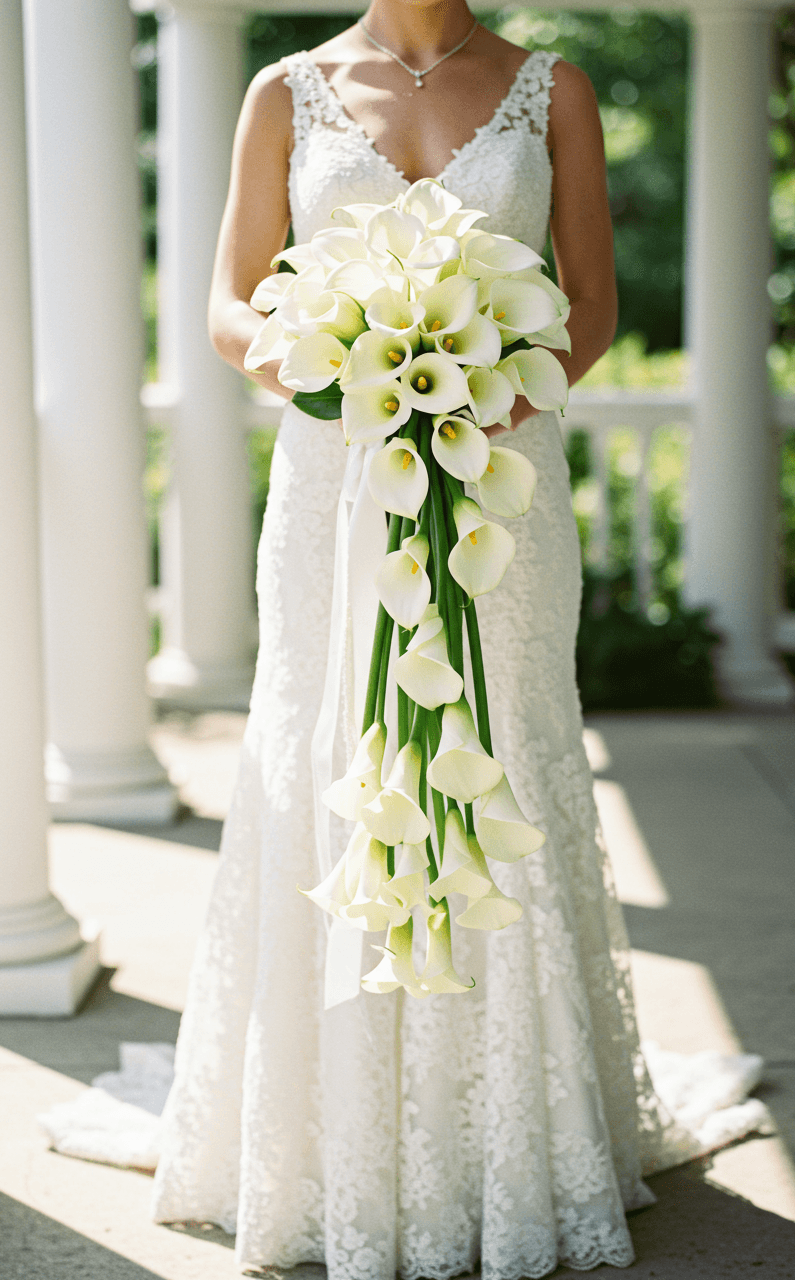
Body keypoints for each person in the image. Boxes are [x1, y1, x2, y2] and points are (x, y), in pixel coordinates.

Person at [151, 2, 679, 1274]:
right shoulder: (285, 89)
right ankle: (327, 1139)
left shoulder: (552, 88)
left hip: (498, 472)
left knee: (500, 752)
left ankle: (516, 1136)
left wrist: (499, 379)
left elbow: (590, 302)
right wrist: (336, 363)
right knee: (331, 753)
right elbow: (228, 307)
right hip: (335, 485)